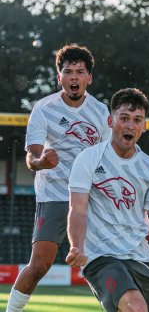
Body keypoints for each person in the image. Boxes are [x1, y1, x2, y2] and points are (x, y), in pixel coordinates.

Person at [66, 88, 149, 312]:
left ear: (144, 126)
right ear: (110, 121)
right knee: (135, 306)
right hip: (100, 256)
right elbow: (77, 209)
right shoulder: (88, 159)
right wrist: (76, 246)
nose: (130, 125)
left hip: (140, 258)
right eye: (124, 118)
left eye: (137, 120)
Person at [6, 44, 111, 312]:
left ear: (89, 78)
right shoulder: (43, 109)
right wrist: (42, 162)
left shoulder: (101, 113)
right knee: (40, 264)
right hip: (54, 194)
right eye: (68, 72)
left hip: (90, 197)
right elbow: (32, 158)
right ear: (59, 78)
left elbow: (109, 159)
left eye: (80, 72)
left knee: (103, 263)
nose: (74, 77)